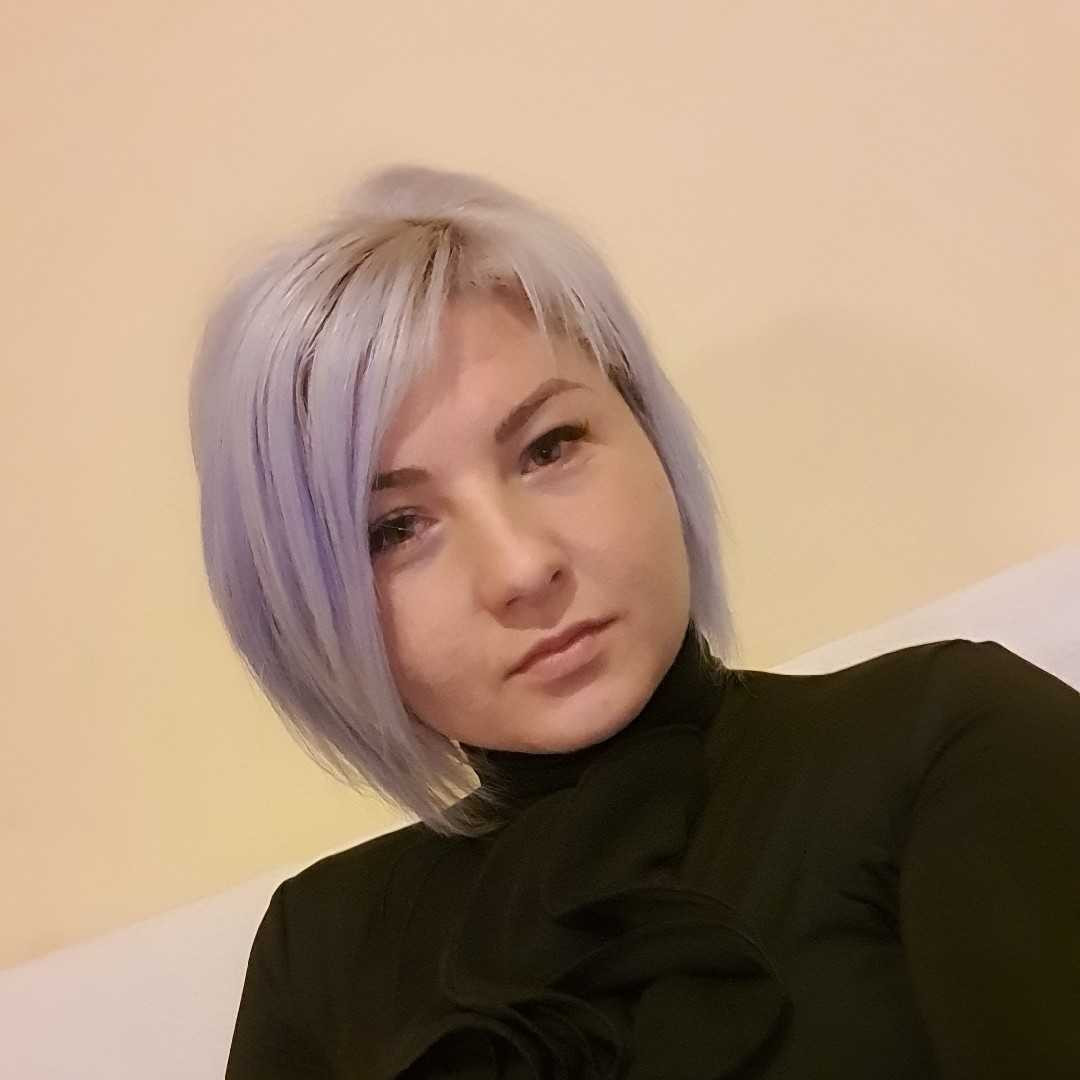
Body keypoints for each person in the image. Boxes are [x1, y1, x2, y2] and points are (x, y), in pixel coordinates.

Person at [188, 165, 1080, 1078]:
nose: (522, 569)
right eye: (396, 529)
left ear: (648, 431)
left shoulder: (947, 743)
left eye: (550, 447)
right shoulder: (317, 954)